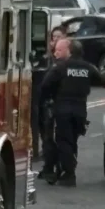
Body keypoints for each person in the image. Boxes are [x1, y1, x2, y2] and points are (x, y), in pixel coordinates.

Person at [39, 37, 105, 187]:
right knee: (72, 141)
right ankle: (65, 169)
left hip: (63, 110)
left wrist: (46, 100)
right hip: (80, 111)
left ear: (70, 51)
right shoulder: (88, 68)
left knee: (63, 141)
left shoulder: (61, 67)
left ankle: (68, 173)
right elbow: (104, 82)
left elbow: (45, 85)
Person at [32, 25, 65, 164]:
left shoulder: (63, 58)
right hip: (38, 94)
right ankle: (40, 152)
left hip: (54, 97)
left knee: (50, 127)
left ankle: (52, 155)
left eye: (58, 37)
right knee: (38, 123)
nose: (55, 39)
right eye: (53, 37)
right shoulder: (43, 55)